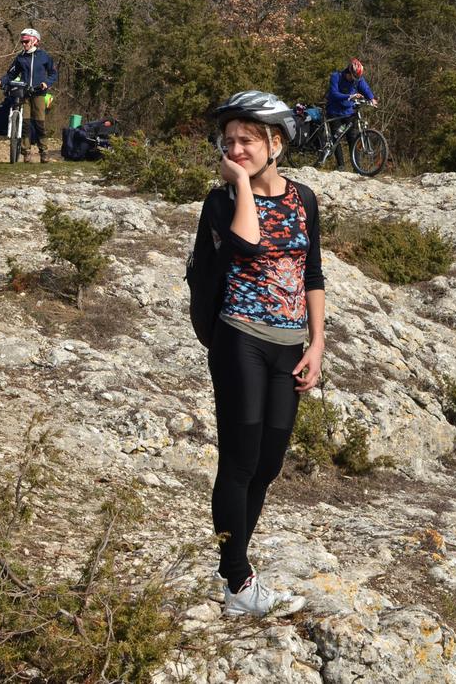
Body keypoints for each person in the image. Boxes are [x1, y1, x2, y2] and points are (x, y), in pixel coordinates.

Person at [199, 90, 325, 618]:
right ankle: (237, 579)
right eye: (228, 141)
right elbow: (248, 245)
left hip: (289, 346)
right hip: (240, 341)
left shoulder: (304, 199)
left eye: (246, 140)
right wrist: (243, 184)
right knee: (240, 460)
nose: (235, 149)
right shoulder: (222, 203)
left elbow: (311, 272)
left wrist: (317, 342)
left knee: (269, 463)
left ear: (276, 143)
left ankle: (236, 570)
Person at [0, 28, 57, 163]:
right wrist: (1, 81)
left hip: (39, 93)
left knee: (39, 123)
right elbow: (11, 74)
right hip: (24, 93)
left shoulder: (44, 56)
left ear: (35, 41)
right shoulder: (20, 57)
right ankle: (26, 152)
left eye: (26, 41)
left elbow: (53, 73)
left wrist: (46, 83)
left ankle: (44, 151)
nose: (24, 44)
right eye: (22, 42)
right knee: (25, 123)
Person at [324, 57, 377, 169]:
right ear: (349, 72)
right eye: (354, 77)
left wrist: (371, 98)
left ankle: (356, 167)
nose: (356, 80)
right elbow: (333, 93)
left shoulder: (358, 78)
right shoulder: (336, 76)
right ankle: (341, 166)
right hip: (334, 112)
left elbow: (365, 88)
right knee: (337, 138)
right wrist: (350, 96)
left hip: (349, 112)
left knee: (353, 138)